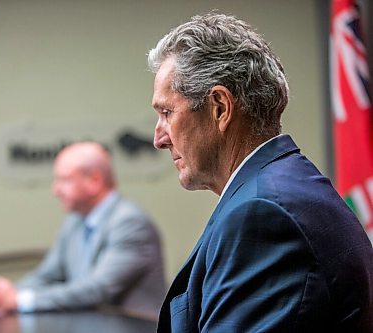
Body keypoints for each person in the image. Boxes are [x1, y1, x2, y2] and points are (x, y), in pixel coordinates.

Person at [148, 12, 373, 332]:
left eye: (167, 113)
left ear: (220, 108)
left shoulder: (263, 215)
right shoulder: (285, 190)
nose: (158, 138)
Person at [0, 142, 166, 318]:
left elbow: (97, 289)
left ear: (94, 181)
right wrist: (4, 294)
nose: (55, 190)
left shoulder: (130, 223)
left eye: (64, 180)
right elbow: (48, 275)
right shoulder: (75, 222)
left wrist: (19, 300)